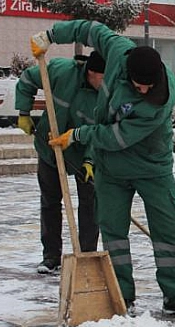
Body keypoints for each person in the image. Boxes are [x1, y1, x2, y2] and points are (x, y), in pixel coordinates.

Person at [36, 20, 175, 318]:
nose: (143, 90)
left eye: (147, 86)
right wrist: (50, 36)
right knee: (113, 231)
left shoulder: (159, 100)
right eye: (139, 85)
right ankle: (122, 295)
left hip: (152, 168)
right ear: (127, 71)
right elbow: (89, 29)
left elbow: (115, 137)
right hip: (111, 170)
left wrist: (77, 135)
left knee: (168, 229)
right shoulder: (117, 51)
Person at [15, 52, 105, 274]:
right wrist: (24, 112)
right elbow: (27, 79)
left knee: (90, 205)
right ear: (92, 72)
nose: (108, 84)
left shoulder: (107, 96)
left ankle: (87, 255)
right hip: (49, 148)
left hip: (84, 155)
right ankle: (51, 256)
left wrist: (90, 161)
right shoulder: (60, 71)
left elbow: (101, 132)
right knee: (50, 202)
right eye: (105, 77)